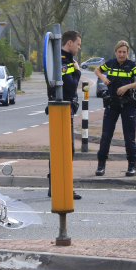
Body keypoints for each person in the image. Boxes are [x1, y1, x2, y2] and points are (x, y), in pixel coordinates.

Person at [94, 40, 136, 177]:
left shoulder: (131, 65)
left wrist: (127, 87)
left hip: (128, 104)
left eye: (124, 52)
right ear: (115, 52)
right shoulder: (110, 64)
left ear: (127, 53)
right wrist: (103, 78)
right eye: (119, 52)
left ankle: (132, 166)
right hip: (112, 103)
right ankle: (101, 165)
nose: (122, 54)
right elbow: (97, 70)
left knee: (129, 137)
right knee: (106, 135)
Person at [48, 30, 82, 200]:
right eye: (78, 44)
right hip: (62, 108)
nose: (79, 48)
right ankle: (63, 186)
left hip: (62, 108)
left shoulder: (61, 58)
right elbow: (69, 86)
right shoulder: (63, 61)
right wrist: (77, 72)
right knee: (67, 149)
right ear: (70, 43)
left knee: (59, 147)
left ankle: (54, 185)